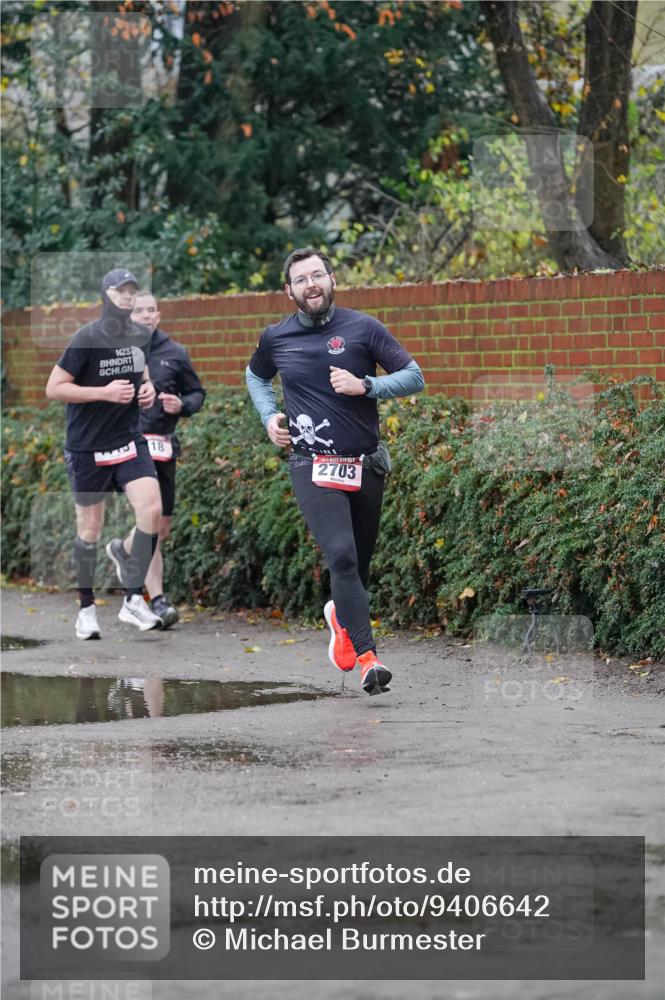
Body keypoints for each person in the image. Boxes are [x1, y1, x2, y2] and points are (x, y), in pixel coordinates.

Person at [246, 247, 424, 695]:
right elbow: (255, 377)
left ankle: (340, 620)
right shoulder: (276, 338)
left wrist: (367, 385)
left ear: (332, 280)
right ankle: (368, 659)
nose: (312, 284)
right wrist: (269, 416)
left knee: (358, 569)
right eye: (302, 279)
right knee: (341, 556)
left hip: (365, 465)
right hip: (312, 464)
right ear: (288, 291)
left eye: (318, 275)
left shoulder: (363, 328)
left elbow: (414, 376)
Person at [45, 268, 163, 638]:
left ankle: (132, 599)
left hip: (128, 440)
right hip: (87, 446)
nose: (127, 297)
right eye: (120, 291)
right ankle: (86, 609)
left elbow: (142, 377)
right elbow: (54, 387)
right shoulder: (86, 337)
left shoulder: (141, 336)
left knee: (152, 510)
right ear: (106, 294)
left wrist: (149, 391)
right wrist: (102, 393)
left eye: (132, 291)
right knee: (90, 529)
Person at [104, 291, 206, 628]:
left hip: (164, 444)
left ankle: (124, 549)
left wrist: (183, 404)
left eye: (151, 310)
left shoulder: (175, 353)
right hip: (132, 445)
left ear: (158, 316)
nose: (146, 316)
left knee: (160, 527)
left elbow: (197, 393)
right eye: (138, 311)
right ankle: (158, 600)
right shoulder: (118, 353)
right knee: (150, 515)